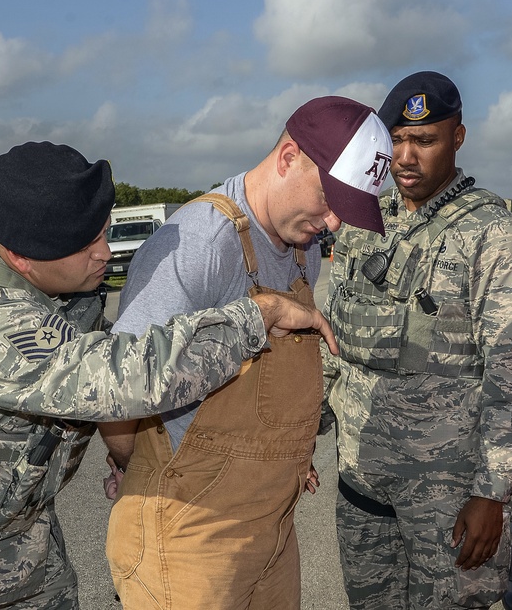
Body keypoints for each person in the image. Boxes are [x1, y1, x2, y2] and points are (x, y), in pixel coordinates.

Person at [0, 141, 338, 610]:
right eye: (85, 245)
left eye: (102, 232)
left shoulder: (35, 258)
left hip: (20, 540)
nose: (104, 252)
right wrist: (258, 316)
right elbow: (126, 379)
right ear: (21, 258)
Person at [102, 96, 393, 609]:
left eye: (345, 212)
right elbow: (117, 382)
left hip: (271, 530)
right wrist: (146, 464)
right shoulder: (200, 240)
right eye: (329, 203)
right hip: (193, 537)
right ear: (287, 159)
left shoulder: (303, 249)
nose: (333, 224)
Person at [322, 71, 512, 609]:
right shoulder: (361, 225)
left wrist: (491, 493)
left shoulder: (496, 239)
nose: (405, 156)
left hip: (447, 495)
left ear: (458, 137)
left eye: (424, 140)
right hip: (360, 480)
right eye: (396, 139)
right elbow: (334, 338)